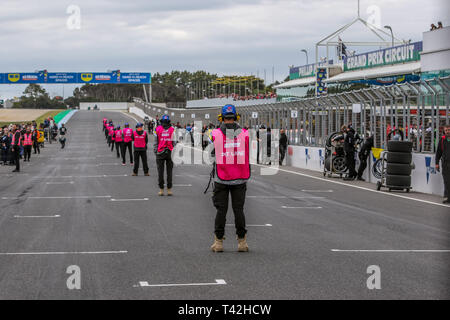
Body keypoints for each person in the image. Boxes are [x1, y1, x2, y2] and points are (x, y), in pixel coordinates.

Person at [210, 104, 250, 253]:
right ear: (236, 117)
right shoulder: (245, 133)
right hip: (240, 177)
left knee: (221, 211)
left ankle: (218, 242)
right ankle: (242, 242)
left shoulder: (215, 133)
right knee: (238, 210)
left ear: (221, 117)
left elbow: (210, 153)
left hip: (222, 178)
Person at [154, 115, 175, 196]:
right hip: (169, 152)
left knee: (160, 172)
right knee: (169, 172)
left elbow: (156, 142)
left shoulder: (157, 129)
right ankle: (169, 189)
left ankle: (161, 189)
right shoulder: (173, 129)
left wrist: (156, 151)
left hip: (161, 152)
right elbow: (175, 141)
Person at [436, 125, 450, 203]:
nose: (448, 131)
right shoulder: (442, 139)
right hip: (445, 163)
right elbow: (438, 152)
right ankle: (446, 196)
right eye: (446, 130)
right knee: (446, 181)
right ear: (444, 131)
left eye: (449, 130)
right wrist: (436, 163)